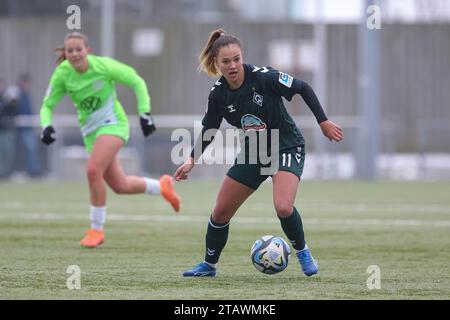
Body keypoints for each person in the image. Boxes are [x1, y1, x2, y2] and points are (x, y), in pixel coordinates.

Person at [174, 29, 343, 277]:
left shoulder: (264, 78)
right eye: (226, 61)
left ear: (242, 57)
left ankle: (303, 251)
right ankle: (209, 266)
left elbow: (303, 87)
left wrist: (323, 121)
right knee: (220, 212)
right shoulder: (218, 94)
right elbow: (210, 127)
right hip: (255, 152)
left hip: (285, 143)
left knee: (283, 207)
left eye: (236, 59)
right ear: (216, 63)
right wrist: (191, 159)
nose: (232, 65)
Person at [40, 32, 181, 248]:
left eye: (79, 49)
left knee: (92, 170)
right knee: (120, 185)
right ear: (66, 54)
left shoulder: (103, 66)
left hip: (113, 125)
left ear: (88, 50)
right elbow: (47, 105)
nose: (75, 54)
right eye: (71, 50)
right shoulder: (62, 74)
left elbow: (136, 80)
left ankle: (96, 229)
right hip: (91, 134)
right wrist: (46, 126)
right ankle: (161, 186)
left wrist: (144, 113)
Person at [15, 73, 43, 177]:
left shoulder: (26, 95)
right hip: (22, 128)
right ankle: (32, 171)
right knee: (30, 149)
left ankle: (33, 170)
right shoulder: (18, 94)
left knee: (32, 149)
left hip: (28, 127)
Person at [0, 81, 18, 179]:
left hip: (8, 131)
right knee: (1, 155)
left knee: (9, 154)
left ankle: (7, 173)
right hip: (1, 131)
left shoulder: (6, 99)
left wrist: (13, 103)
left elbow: (14, 113)